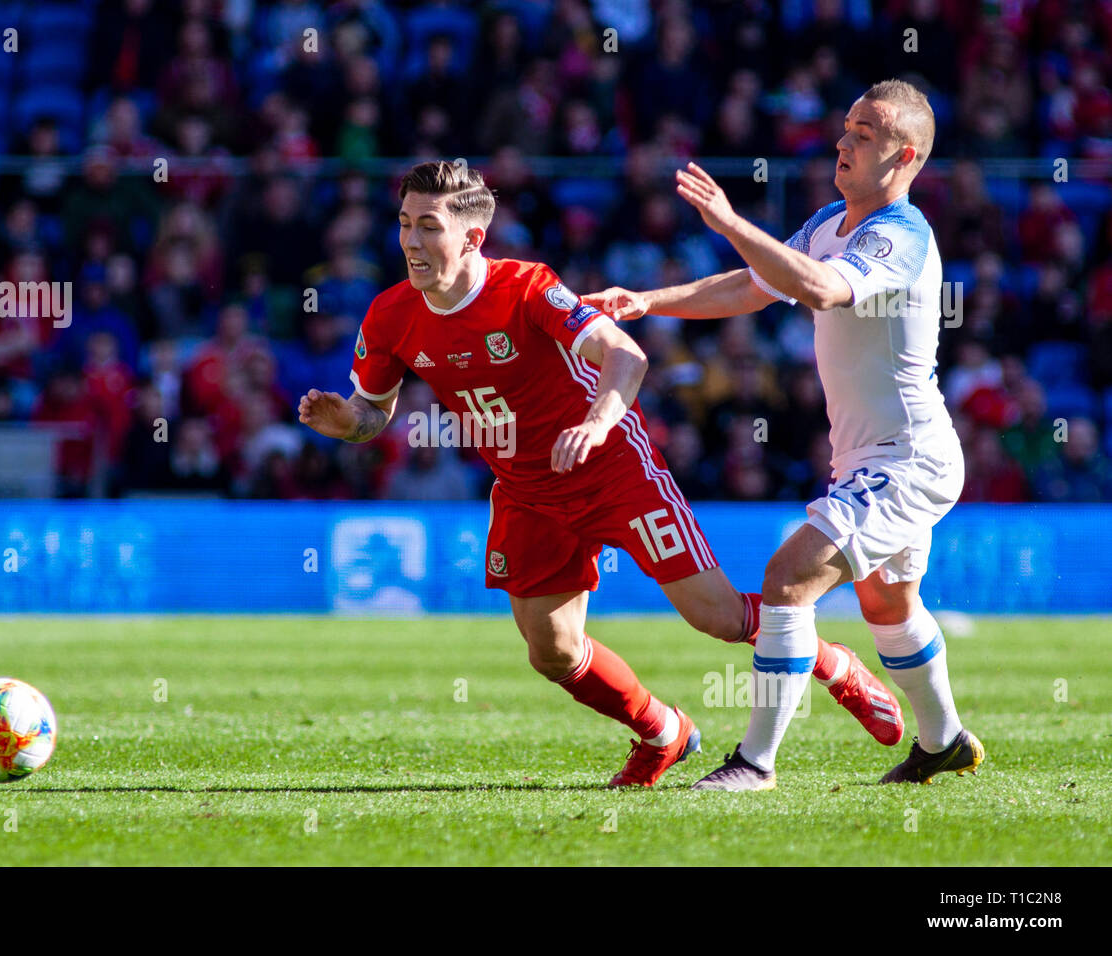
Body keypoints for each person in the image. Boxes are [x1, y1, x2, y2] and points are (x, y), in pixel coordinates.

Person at [300, 160, 903, 788]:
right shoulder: (391, 315)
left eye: (428, 226)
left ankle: (833, 663)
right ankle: (663, 732)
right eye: (404, 224)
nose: (411, 242)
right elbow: (372, 416)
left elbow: (626, 353)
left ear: (473, 237)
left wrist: (596, 422)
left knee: (717, 618)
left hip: (613, 468)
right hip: (526, 492)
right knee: (552, 652)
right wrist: (341, 421)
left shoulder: (528, 288)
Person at [585, 80, 982, 790]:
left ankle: (755, 763)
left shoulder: (899, 234)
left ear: (906, 155)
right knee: (888, 603)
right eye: (847, 128)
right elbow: (752, 285)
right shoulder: (834, 218)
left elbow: (823, 289)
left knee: (786, 580)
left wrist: (734, 222)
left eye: (865, 133)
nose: (844, 142)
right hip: (869, 455)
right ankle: (945, 740)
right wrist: (649, 301)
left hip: (908, 459)